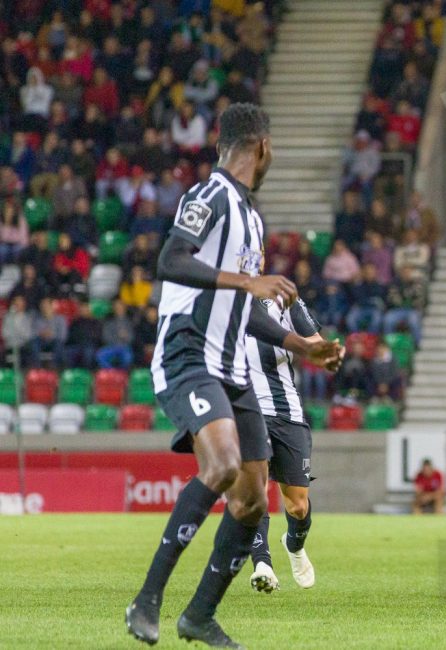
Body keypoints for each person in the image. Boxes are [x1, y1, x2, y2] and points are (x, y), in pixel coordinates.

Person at [126, 103, 342, 648]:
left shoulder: (252, 218)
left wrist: (300, 346)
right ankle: (146, 600)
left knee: (252, 500)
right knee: (221, 465)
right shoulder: (208, 196)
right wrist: (248, 283)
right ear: (263, 149)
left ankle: (198, 616)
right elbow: (172, 260)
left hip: (234, 366)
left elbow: (246, 309)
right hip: (188, 354)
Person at [246, 297, 337, 594]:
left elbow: (315, 342)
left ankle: (294, 544)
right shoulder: (220, 301)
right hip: (246, 412)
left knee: (297, 505)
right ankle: (262, 564)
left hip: (287, 415)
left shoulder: (283, 300)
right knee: (253, 492)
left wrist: (327, 353)